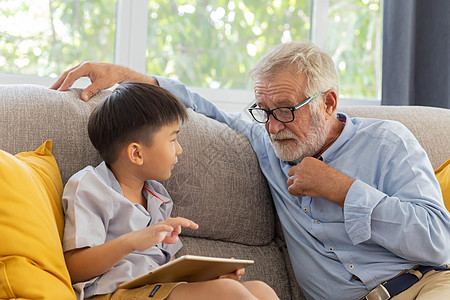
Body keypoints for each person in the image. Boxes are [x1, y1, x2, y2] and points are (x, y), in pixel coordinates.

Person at [52, 41, 450, 300]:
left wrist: (345, 190)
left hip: (424, 285)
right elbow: (202, 105)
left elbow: (440, 242)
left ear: (328, 103)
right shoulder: (270, 142)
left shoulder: (389, 143)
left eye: (285, 111)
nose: (273, 126)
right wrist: (127, 76)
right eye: (264, 111)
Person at [61, 81, 280, 300]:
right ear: (136, 154)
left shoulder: (157, 197)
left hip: (157, 289)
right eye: (172, 139)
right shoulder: (91, 186)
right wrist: (132, 240)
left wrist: (210, 280)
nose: (179, 149)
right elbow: (73, 268)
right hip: (113, 292)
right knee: (229, 293)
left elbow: (165, 269)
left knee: (260, 290)